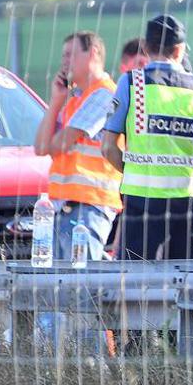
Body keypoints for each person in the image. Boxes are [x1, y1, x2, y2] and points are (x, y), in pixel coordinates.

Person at [102, 15, 193, 260]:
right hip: (187, 199)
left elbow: (107, 147)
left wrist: (132, 169)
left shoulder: (131, 83)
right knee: (185, 278)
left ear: (146, 48)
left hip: (141, 199)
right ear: (180, 50)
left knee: (135, 279)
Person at [32, 31, 122, 260]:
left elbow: (61, 142)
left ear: (92, 53)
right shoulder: (74, 99)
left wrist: (55, 142)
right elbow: (41, 147)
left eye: (70, 54)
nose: (64, 61)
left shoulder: (105, 94)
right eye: (63, 55)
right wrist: (56, 101)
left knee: (81, 285)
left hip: (89, 203)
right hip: (63, 203)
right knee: (61, 286)